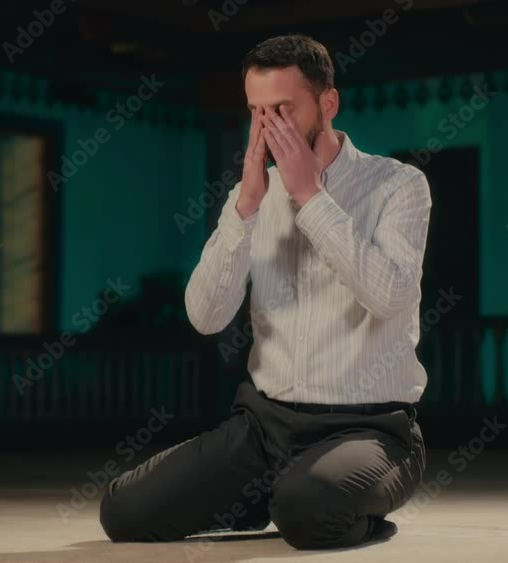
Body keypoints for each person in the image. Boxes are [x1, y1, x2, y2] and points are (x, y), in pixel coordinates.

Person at [99, 33, 431, 550]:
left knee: (309, 510)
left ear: (328, 103)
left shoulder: (398, 185)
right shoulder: (253, 193)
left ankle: (304, 499)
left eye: (282, 109)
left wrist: (309, 197)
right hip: (264, 425)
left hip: (371, 430)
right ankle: (269, 494)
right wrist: (245, 210)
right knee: (124, 512)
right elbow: (206, 318)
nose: (267, 126)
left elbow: (390, 297)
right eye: (257, 111)